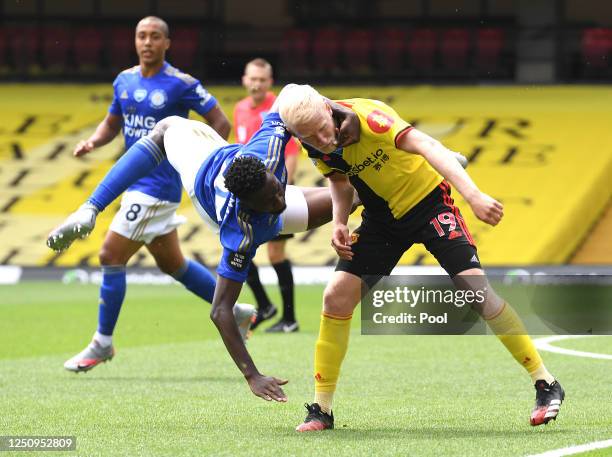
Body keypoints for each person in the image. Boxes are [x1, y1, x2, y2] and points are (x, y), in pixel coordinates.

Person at [274, 85, 564, 431]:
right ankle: (321, 409)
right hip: (382, 221)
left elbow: (426, 145)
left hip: (429, 205)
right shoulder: (312, 141)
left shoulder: (371, 118)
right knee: (335, 296)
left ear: (326, 106)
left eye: (323, 129)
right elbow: (338, 179)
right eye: (310, 137)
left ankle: (545, 383)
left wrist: (473, 195)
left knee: (477, 293)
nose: (322, 140)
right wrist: (338, 222)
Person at [47, 88, 361, 401]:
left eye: (278, 188)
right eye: (271, 198)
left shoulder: (268, 150)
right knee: (166, 127)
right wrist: (252, 375)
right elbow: (218, 310)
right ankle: (91, 207)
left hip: (234, 164)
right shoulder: (240, 233)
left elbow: (293, 92)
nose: (280, 198)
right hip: (202, 171)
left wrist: (334, 109)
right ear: (249, 204)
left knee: (356, 194)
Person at [61, 16, 246, 373]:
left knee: (109, 254)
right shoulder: (124, 80)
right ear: (135, 41)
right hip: (136, 185)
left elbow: (220, 123)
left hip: (158, 186)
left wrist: (201, 162)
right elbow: (113, 123)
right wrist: (93, 141)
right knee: (172, 264)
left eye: (155, 36)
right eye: (141, 36)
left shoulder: (181, 84)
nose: (147, 42)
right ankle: (237, 312)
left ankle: (102, 342)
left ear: (167, 43)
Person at [234, 58, 300, 333]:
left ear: (270, 82)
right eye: (253, 79)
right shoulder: (239, 109)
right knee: (240, 247)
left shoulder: (279, 109)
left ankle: (288, 318)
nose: (257, 84)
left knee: (275, 253)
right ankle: (266, 306)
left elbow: (292, 151)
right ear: (245, 80)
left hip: (274, 193)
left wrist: (283, 189)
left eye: (262, 79)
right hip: (250, 193)